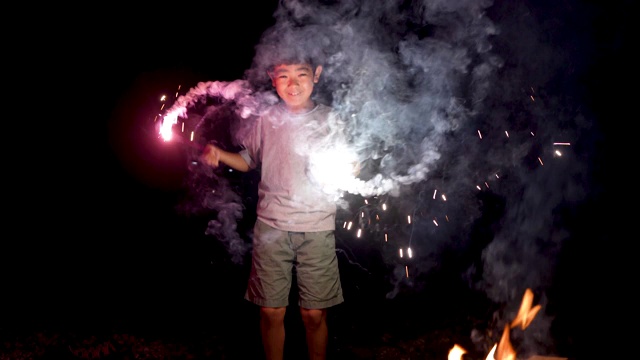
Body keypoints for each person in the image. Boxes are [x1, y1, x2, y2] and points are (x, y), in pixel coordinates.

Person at [200, 56, 353, 360]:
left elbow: (348, 165)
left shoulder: (331, 120)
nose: (293, 84)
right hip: (271, 227)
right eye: (284, 76)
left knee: (313, 315)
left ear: (317, 75)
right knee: (271, 311)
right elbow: (248, 160)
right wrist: (220, 154)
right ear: (273, 78)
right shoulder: (267, 118)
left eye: (301, 74)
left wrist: (351, 167)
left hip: (317, 228)